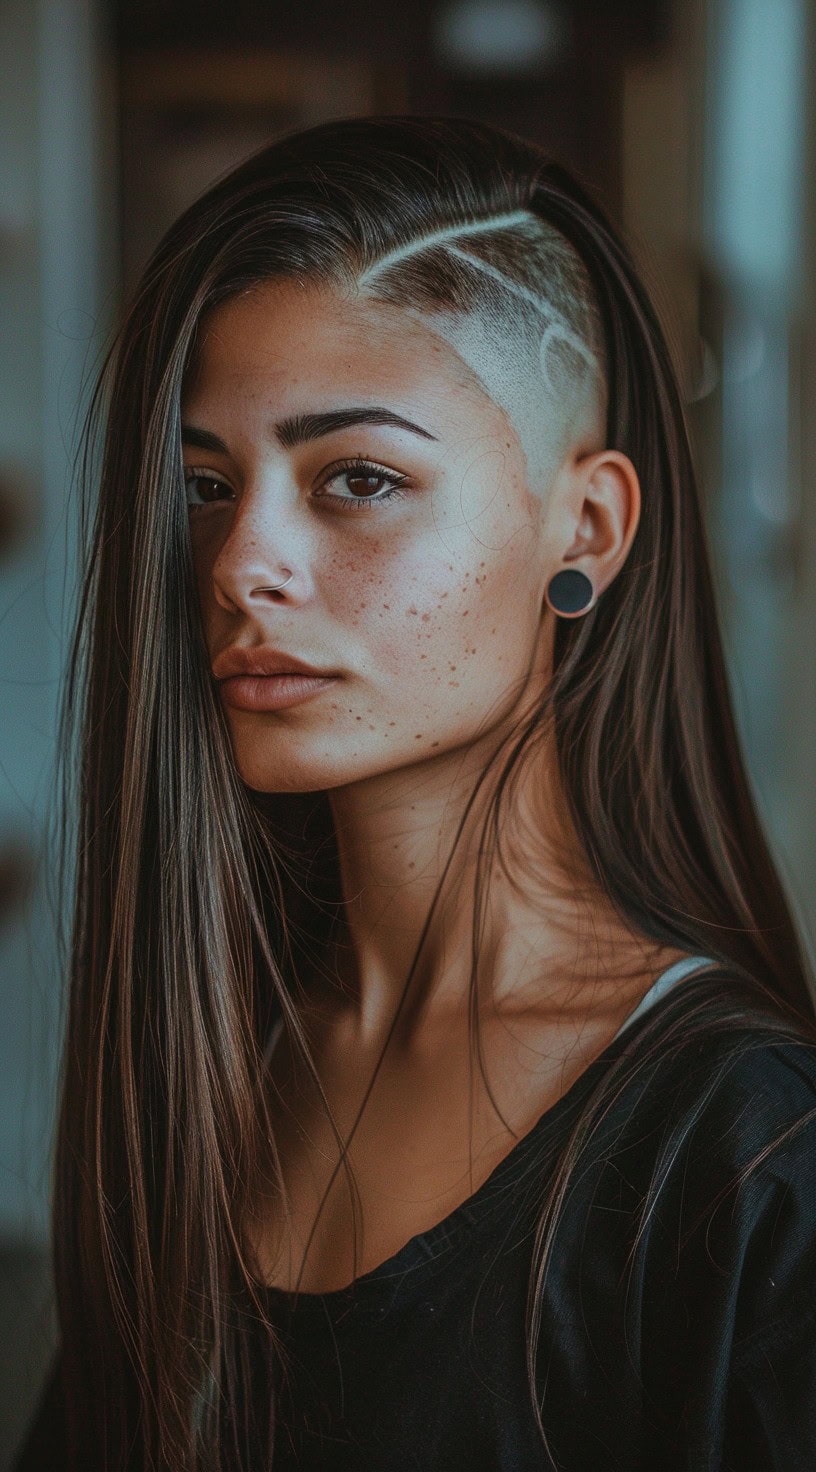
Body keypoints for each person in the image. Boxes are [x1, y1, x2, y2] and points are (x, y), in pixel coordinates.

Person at [12, 114, 816, 1472]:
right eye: (207, 484)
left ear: (589, 531)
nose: (239, 564)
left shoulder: (750, 1156)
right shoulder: (208, 1062)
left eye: (359, 480)